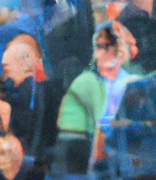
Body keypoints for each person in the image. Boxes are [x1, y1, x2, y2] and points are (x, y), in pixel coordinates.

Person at [58, 22, 139, 172]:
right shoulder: (88, 81)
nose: (98, 53)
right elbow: (102, 124)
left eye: (105, 46)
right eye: (97, 46)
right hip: (81, 150)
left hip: (125, 148)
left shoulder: (131, 80)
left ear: (119, 48)